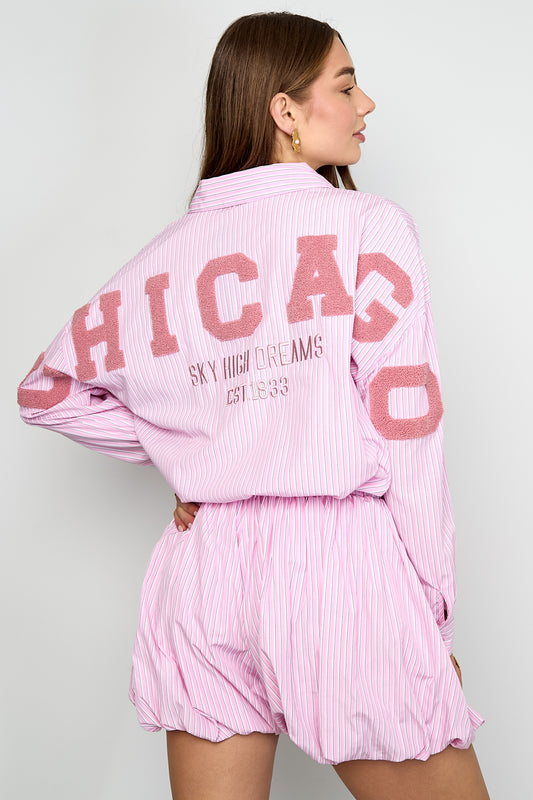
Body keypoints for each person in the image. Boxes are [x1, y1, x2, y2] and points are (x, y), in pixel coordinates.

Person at [17, 10, 491, 800]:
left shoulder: (164, 260)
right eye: (345, 85)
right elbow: (405, 424)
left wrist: (192, 450)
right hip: (338, 565)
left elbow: (45, 390)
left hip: (203, 571)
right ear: (285, 112)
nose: (365, 103)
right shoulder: (366, 228)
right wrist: (429, 613)